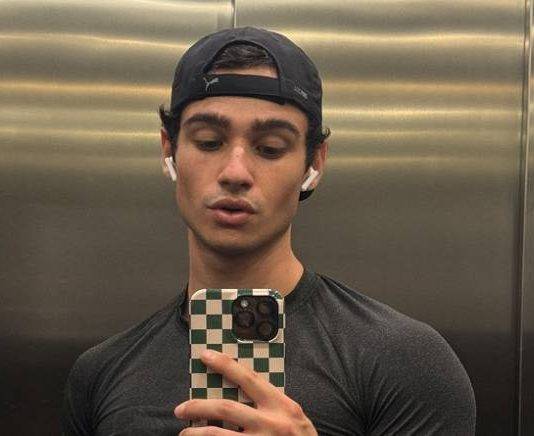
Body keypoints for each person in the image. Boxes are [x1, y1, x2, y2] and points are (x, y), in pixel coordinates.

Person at [61, 27, 476, 435]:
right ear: (169, 150)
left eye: (270, 148)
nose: (235, 172)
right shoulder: (101, 374)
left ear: (314, 163)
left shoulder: (402, 360)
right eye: (208, 142)